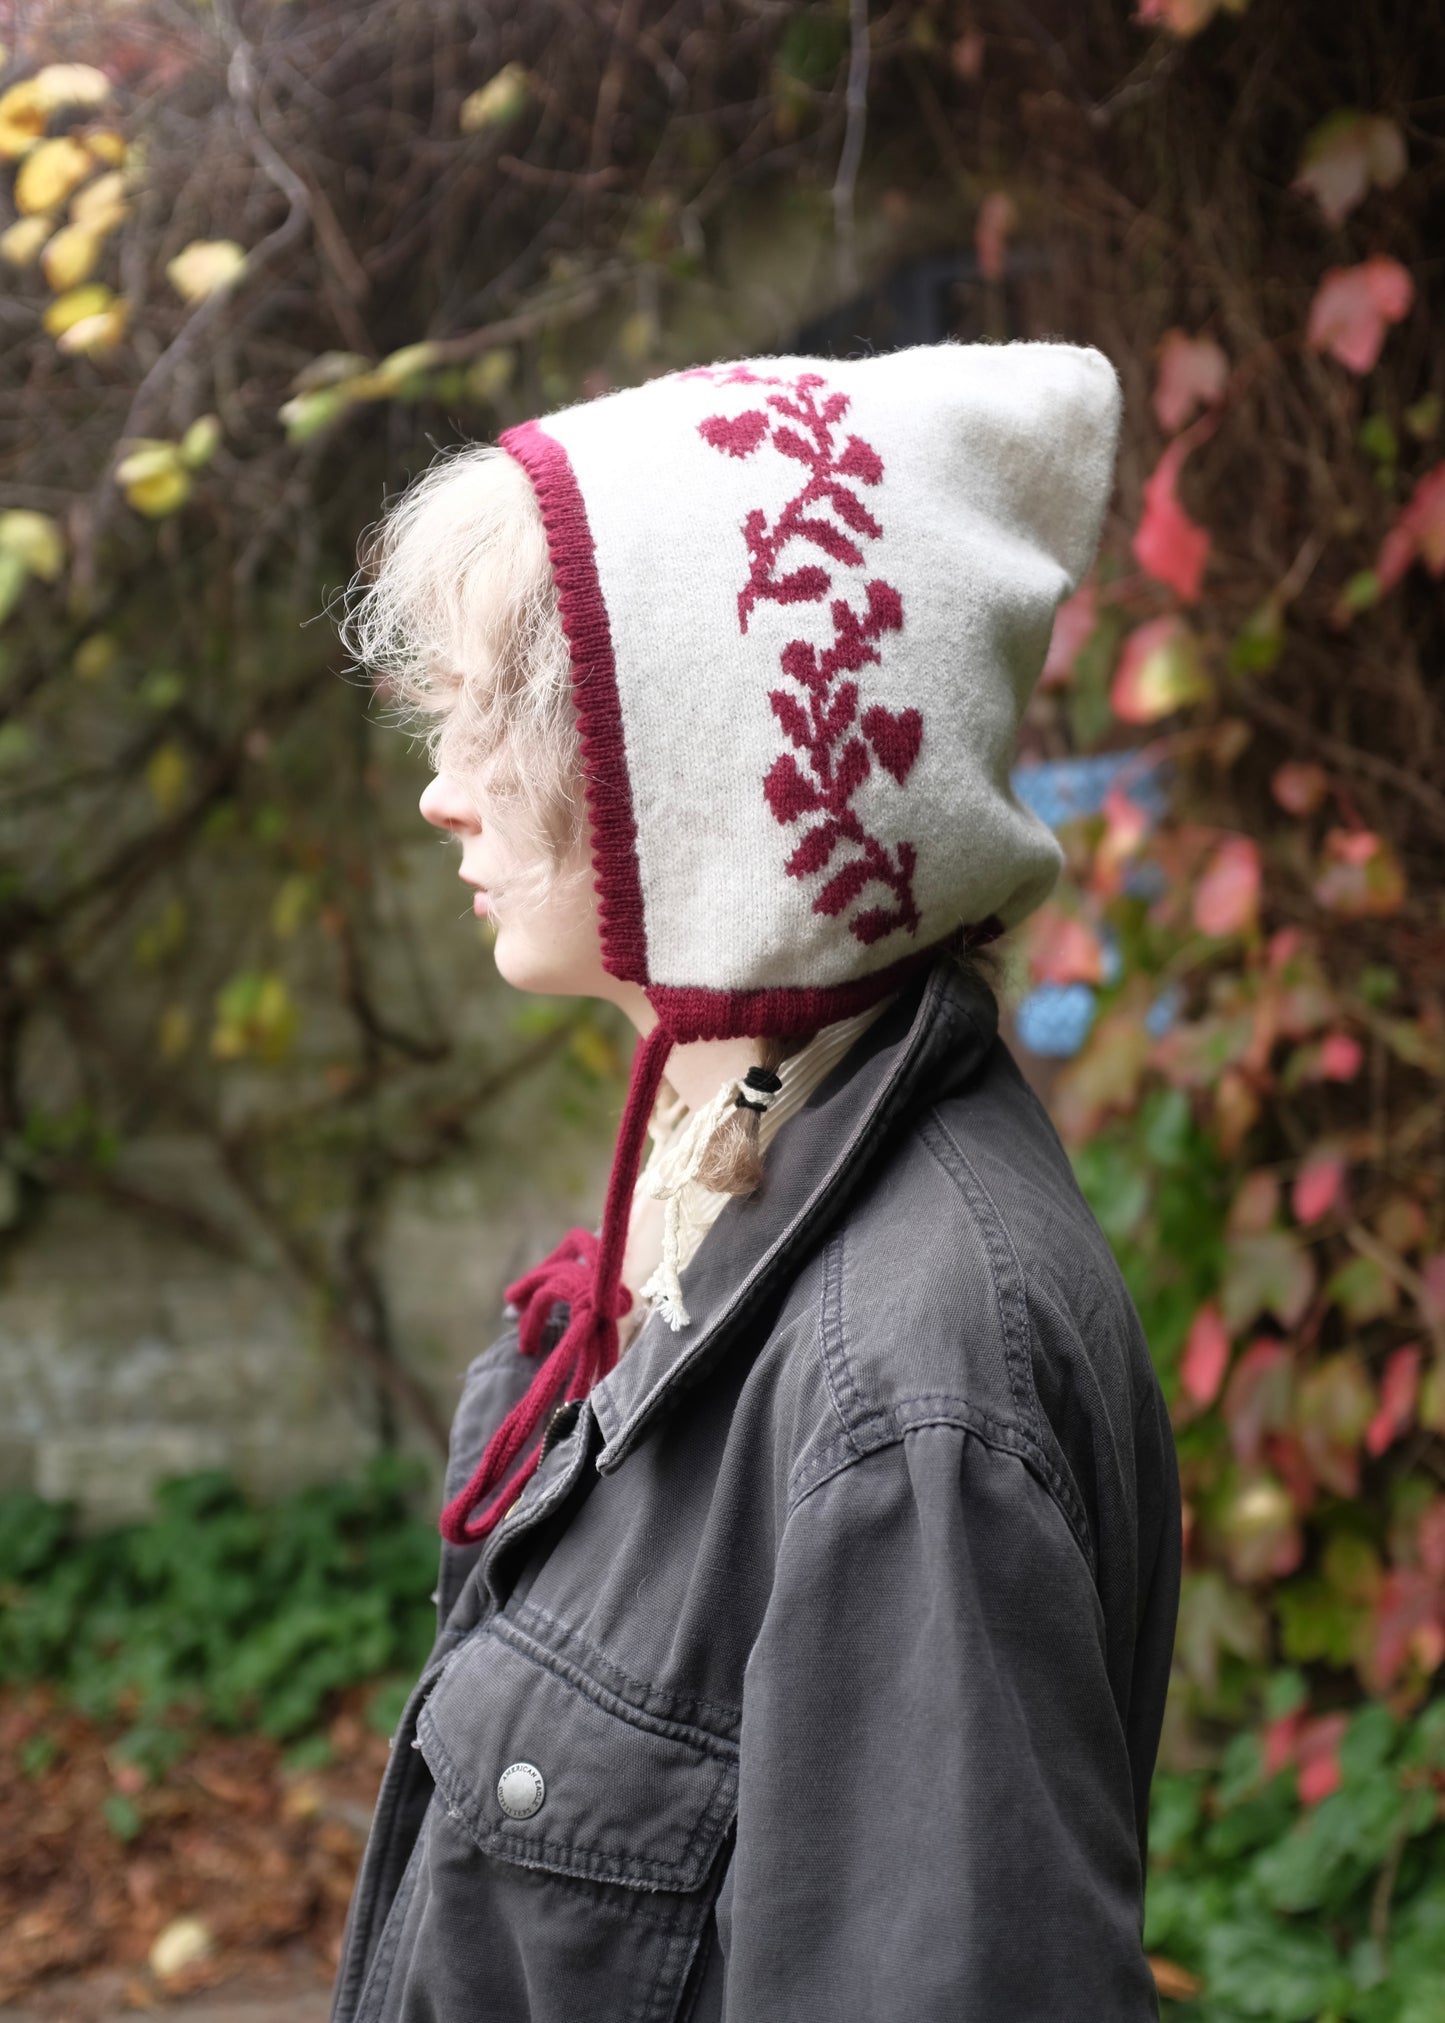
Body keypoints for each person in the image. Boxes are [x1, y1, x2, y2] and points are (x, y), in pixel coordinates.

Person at [330, 341, 1182, 2022]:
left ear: (704, 762)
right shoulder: (729, 1202)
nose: (442, 791)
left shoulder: (909, 1378)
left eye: (506, 717)